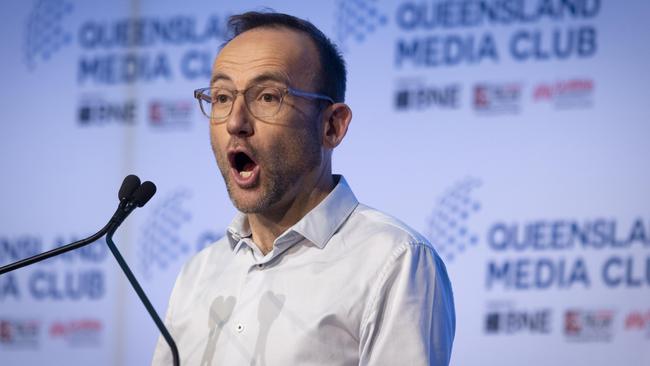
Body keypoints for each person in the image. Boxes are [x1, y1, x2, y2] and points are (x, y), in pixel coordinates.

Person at [152, 11, 455, 366]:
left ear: (332, 126)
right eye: (221, 97)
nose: (236, 122)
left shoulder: (394, 262)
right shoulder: (199, 273)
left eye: (266, 97)